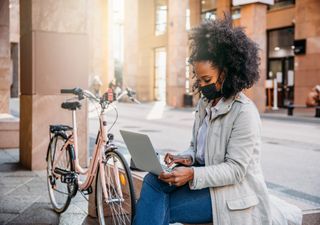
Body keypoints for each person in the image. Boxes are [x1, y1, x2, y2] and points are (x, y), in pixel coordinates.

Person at [132, 17, 300, 225]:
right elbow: (198, 149)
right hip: (205, 184)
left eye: (207, 80)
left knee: (158, 205)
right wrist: (185, 158)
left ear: (227, 73)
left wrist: (192, 174)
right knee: (152, 180)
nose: (202, 86)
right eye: (198, 79)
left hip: (230, 194)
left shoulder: (244, 113)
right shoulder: (205, 104)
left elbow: (235, 170)